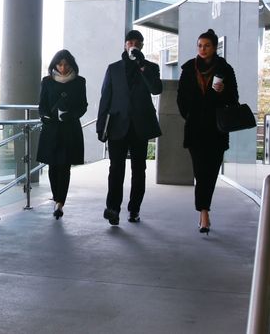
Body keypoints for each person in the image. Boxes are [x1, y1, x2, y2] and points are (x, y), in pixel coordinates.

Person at [96, 30, 162, 226]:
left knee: (139, 170)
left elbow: (156, 89)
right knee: (116, 169)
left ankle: (134, 209)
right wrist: (101, 126)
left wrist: (142, 65)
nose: (132, 44)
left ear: (141, 45)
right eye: (129, 41)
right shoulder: (113, 68)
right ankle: (113, 208)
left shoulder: (150, 67)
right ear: (125, 45)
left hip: (140, 126)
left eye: (136, 42)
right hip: (117, 125)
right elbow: (105, 98)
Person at [177, 28, 239, 235]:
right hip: (195, 128)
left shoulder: (225, 69)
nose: (202, 49)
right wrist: (191, 115)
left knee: (211, 172)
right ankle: (204, 213)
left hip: (216, 129)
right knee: (200, 171)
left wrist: (223, 93)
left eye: (207, 46)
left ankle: (204, 210)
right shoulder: (188, 69)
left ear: (214, 48)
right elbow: (181, 100)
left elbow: (234, 100)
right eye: (200, 46)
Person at [36, 49, 87, 220]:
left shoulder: (79, 82)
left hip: (69, 129)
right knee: (52, 166)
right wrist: (45, 116)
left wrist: (71, 115)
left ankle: (60, 203)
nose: (63, 67)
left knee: (64, 167)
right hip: (51, 128)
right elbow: (41, 105)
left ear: (71, 64)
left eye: (66, 64)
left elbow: (83, 105)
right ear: (55, 65)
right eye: (60, 64)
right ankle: (56, 197)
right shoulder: (47, 81)